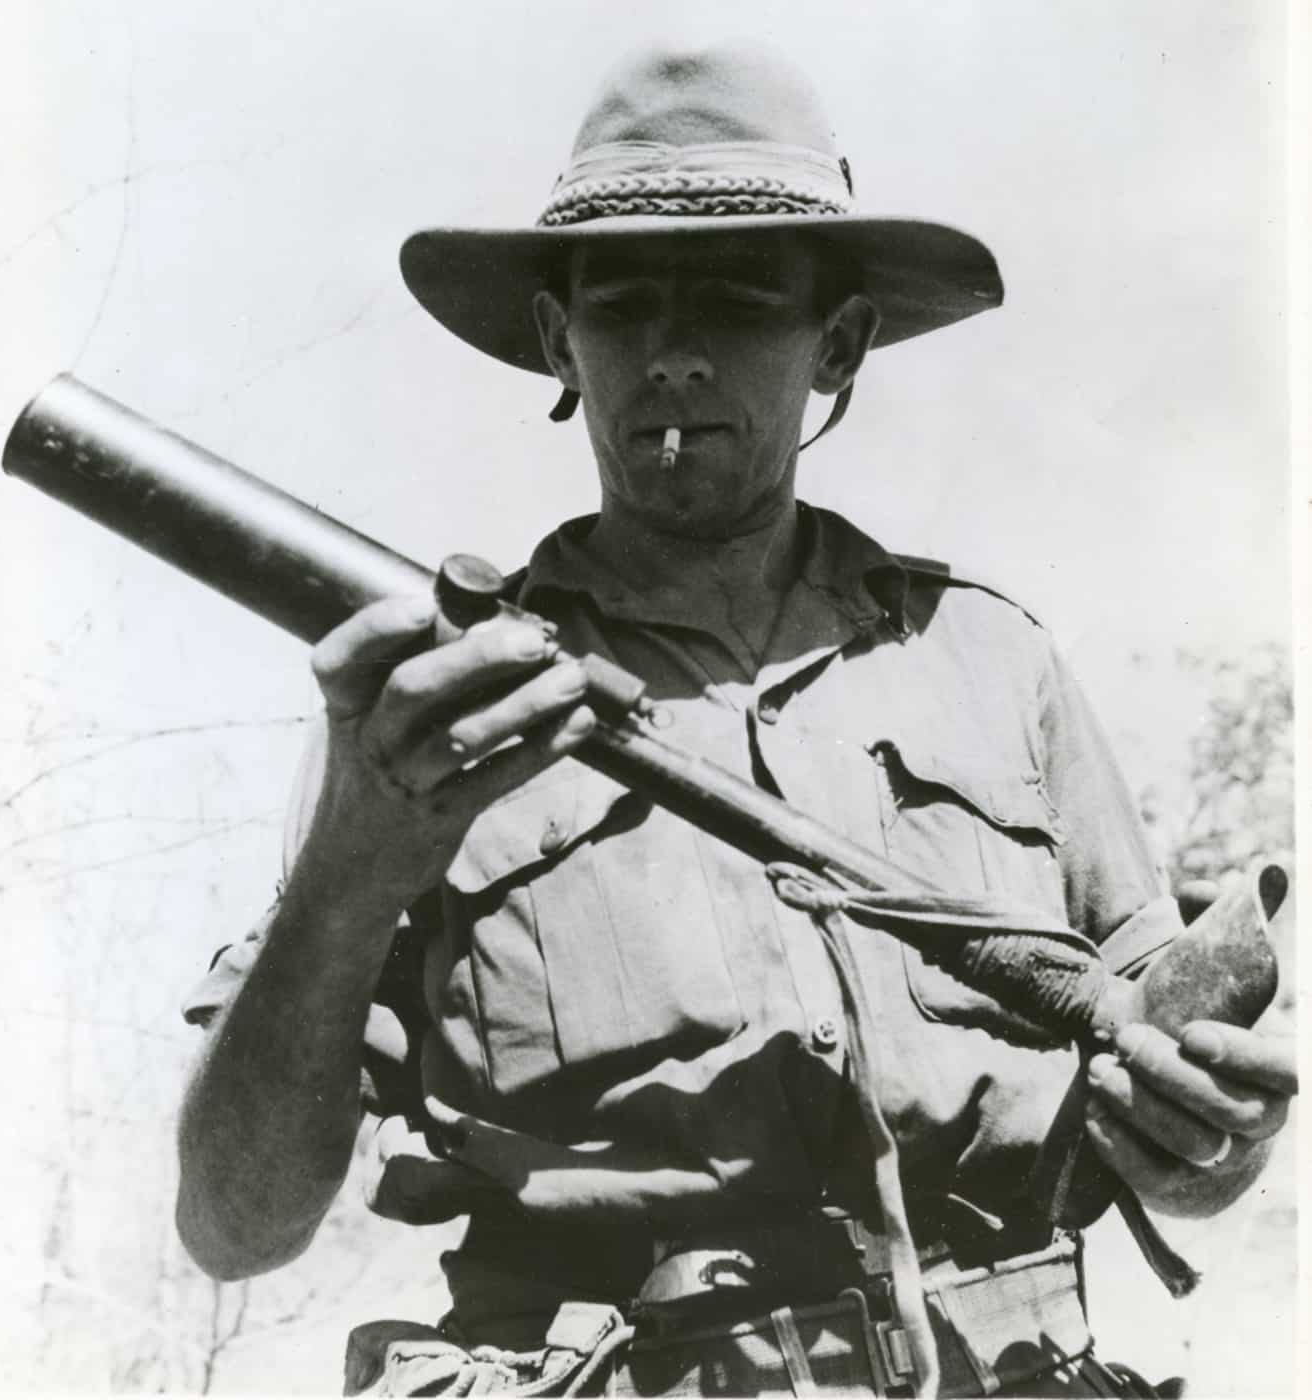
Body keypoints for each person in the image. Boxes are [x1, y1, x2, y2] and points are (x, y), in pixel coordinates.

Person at [175, 42, 1297, 1398]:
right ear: (557, 341)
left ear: (837, 344)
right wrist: (357, 866)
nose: (676, 353)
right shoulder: (433, 713)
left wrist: (1210, 1139)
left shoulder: (995, 665)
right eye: (625, 301)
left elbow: (1170, 1113)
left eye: (740, 298)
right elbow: (236, 1226)